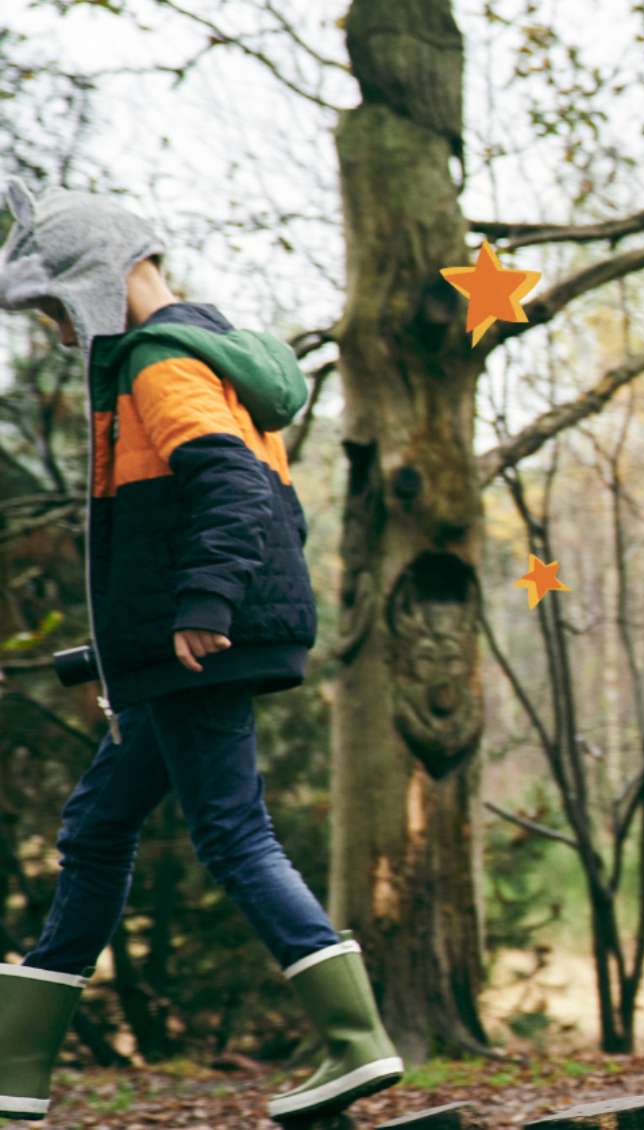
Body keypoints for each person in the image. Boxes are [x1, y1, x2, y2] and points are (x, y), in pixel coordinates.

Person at [0, 183, 400, 1123]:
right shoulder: (201, 357)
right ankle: (15, 1072)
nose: (59, 335)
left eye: (57, 309)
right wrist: (130, 640)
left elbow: (232, 489)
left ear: (96, 283)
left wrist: (202, 607)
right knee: (98, 829)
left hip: (198, 647)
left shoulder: (160, 365)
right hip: (174, 649)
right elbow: (187, 517)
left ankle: (355, 1042)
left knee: (232, 830)